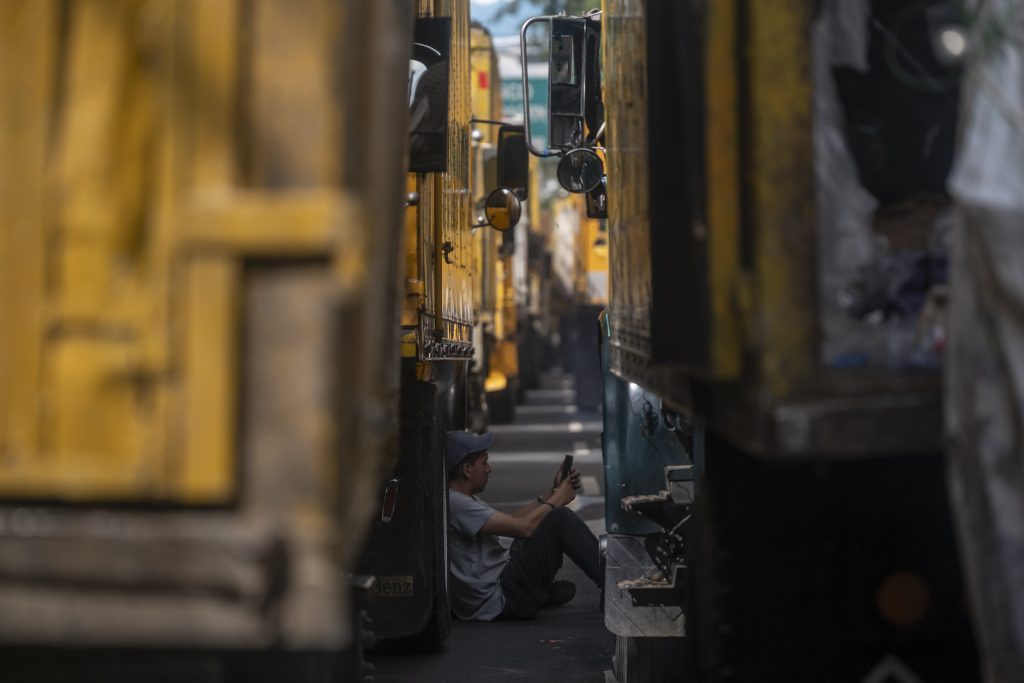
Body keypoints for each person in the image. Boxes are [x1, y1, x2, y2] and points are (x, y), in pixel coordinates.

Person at [445, 429, 603, 621]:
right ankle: (610, 584)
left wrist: (551, 493)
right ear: (467, 469)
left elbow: (512, 522)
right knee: (560, 518)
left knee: (540, 522)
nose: (489, 469)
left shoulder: (460, 499)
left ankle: (539, 591)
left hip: (504, 582)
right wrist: (557, 500)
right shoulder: (456, 503)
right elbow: (524, 527)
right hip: (503, 598)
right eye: (484, 462)